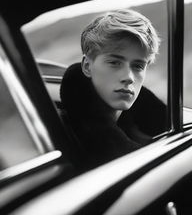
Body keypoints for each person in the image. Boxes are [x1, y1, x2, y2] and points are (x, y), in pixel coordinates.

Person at [60, 9, 166, 170]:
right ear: (87, 66)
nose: (129, 77)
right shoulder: (63, 137)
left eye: (138, 66)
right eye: (115, 63)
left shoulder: (137, 126)